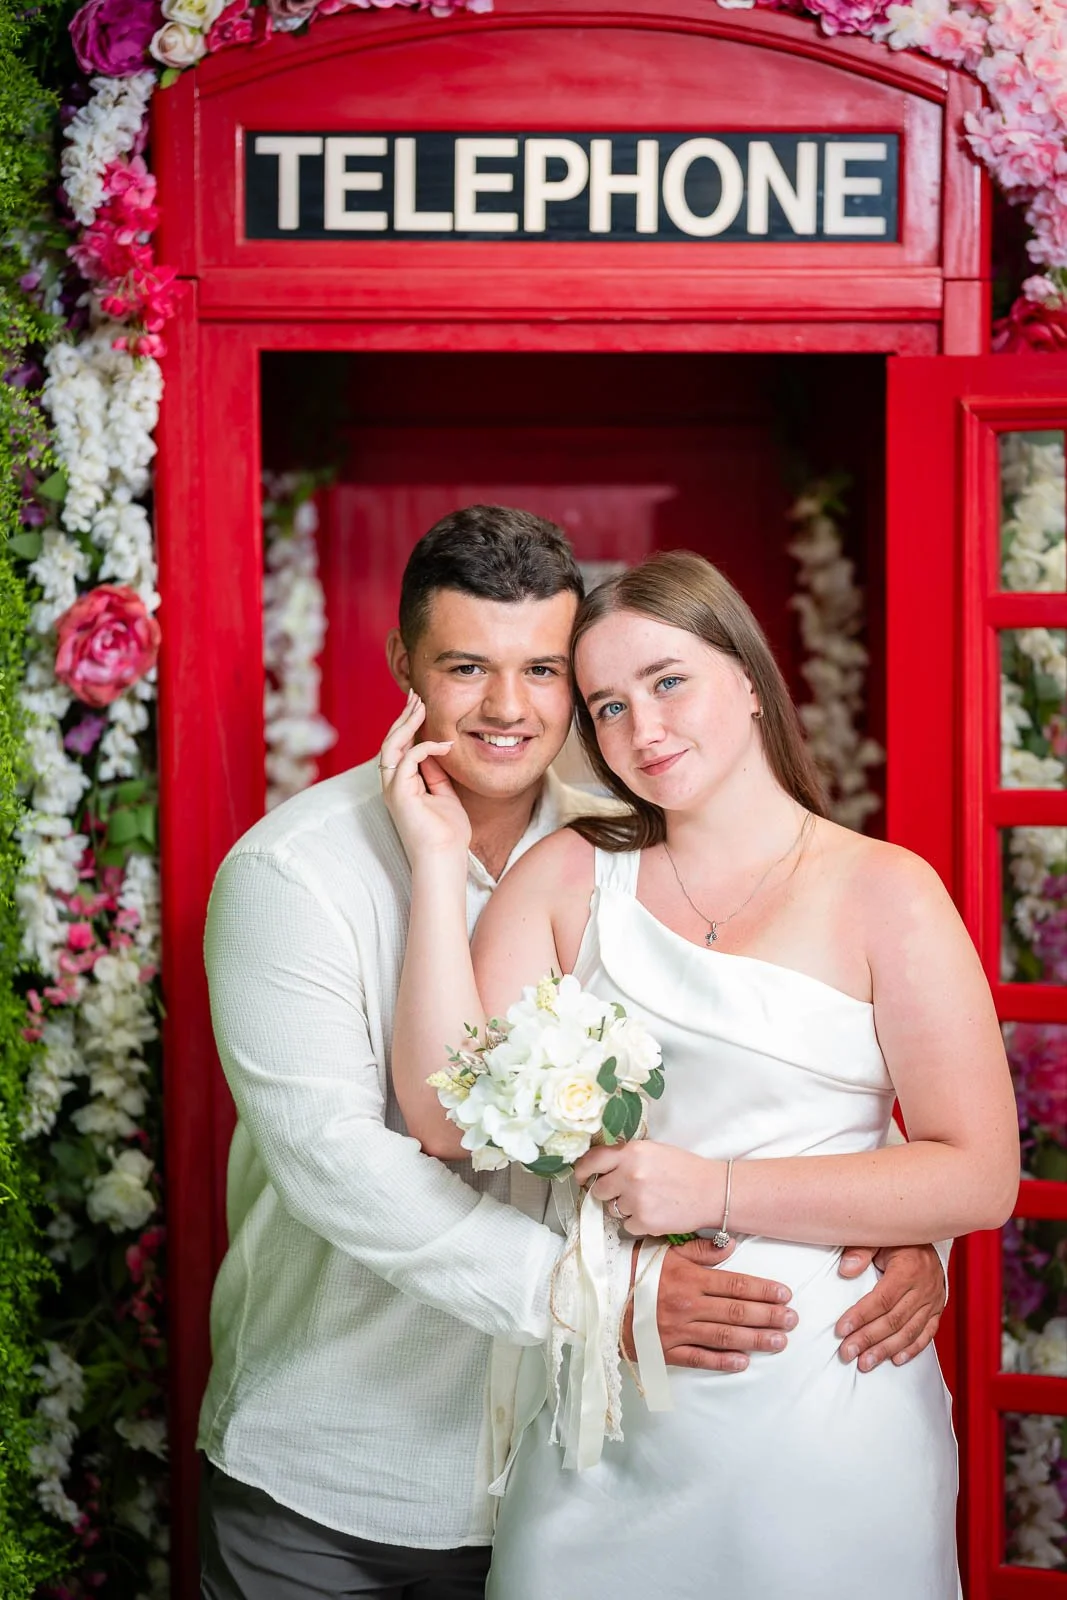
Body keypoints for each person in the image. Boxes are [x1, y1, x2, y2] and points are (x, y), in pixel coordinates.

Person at [200, 509, 949, 1600]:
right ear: (404, 663)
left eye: (543, 670)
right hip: (347, 1467)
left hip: (585, 1462)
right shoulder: (292, 874)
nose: (507, 708)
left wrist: (898, 1226)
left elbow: (764, 1059)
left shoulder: (623, 841)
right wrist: (595, 1296)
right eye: (465, 666)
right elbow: (336, 1163)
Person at [382, 548, 1019, 1600]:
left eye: (666, 681)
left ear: (747, 678)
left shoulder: (884, 891)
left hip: (833, 1409)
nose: (642, 730)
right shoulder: (569, 877)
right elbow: (447, 1118)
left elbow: (978, 1174)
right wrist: (437, 855)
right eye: (607, 705)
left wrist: (713, 1188)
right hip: (617, 1405)